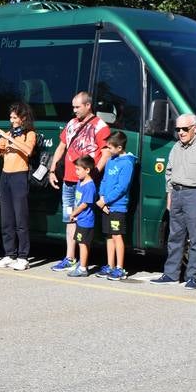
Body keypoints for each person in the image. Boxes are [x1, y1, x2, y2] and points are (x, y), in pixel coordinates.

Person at [152, 113, 196, 289]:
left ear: (195, 129)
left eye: (185, 129)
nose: (181, 132)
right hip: (177, 193)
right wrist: (169, 195)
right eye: (178, 129)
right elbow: (169, 172)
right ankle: (171, 273)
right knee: (174, 236)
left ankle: (193, 277)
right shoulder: (176, 147)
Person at [48, 92, 110, 271]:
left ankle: (84, 261)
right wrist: (52, 170)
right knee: (70, 218)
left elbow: (105, 152)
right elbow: (61, 147)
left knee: (83, 220)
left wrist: (94, 174)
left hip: (84, 183)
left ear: (88, 105)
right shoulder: (71, 124)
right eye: (73, 107)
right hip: (68, 180)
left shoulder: (100, 126)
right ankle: (69, 257)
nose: (74, 110)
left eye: (77, 107)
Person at [0, 102, 38, 271]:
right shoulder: (8, 133)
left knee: (21, 218)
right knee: (7, 218)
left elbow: (28, 151)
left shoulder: (29, 133)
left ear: (23, 118)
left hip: (19, 176)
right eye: (10, 117)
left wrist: (9, 138)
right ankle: (9, 254)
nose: (11, 120)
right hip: (5, 176)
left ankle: (23, 256)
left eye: (14, 117)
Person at [95, 131, 135, 281]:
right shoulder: (111, 160)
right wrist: (101, 197)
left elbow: (122, 187)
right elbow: (104, 180)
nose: (107, 150)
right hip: (106, 205)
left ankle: (120, 268)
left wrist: (106, 200)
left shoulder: (127, 163)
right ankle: (110, 265)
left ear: (119, 148)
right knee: (109, 236)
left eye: (110, 148)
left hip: (118, 206)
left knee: (117, 236)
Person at [63, 157, 98, 276]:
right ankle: (83, 264)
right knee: (81, 242)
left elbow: (84, 204)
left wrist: (73, 213)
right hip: (81, 219)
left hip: (86, 221)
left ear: (87, 170)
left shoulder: (89, 186)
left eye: (78, 169)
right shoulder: (80, 182)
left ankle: (83, 268)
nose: (76, 172)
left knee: (83, 244)